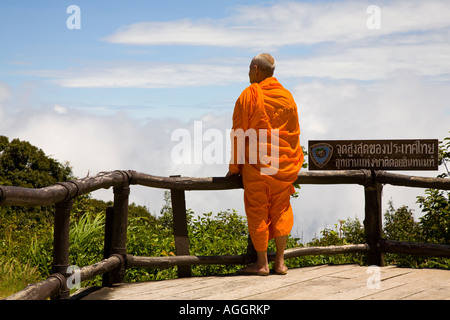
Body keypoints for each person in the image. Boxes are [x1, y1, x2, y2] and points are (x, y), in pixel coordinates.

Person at [226, 53, 304, 275]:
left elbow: (239, 135)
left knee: (258, 209)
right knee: (281, 208)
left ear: (256, 70)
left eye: (250, 69)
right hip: (283, 165)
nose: (248, 74)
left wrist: (234, 168)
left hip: (258, 165)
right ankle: (280, 262)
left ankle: (262, 264)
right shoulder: (287, 97)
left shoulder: (248, 95)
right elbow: (294, 133)